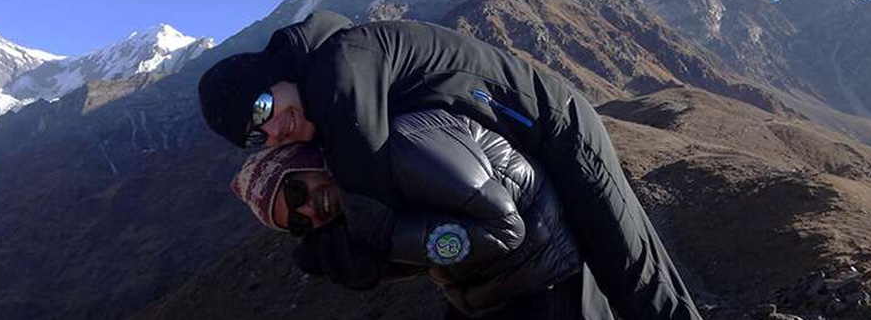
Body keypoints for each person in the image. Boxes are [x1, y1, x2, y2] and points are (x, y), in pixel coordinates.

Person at [199, 11, 703, 320]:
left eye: (261, 109)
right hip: (525, 171)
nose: (271, 131)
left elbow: (372, 206)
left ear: (274, 76)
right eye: (253, 135)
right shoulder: (327, 92)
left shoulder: (339, 71)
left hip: (561, 128)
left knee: (633, 274)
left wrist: (348, 247)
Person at [231, 109, 614, 320]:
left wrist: (387, 238)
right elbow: (444, 243)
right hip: (492, 293)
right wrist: (378, 263)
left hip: (549, 283)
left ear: (311, 161)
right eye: (297, 222)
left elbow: (503, 230)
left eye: (296, 190)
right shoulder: (366, 194)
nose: (308, 208)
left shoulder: (400, 143)